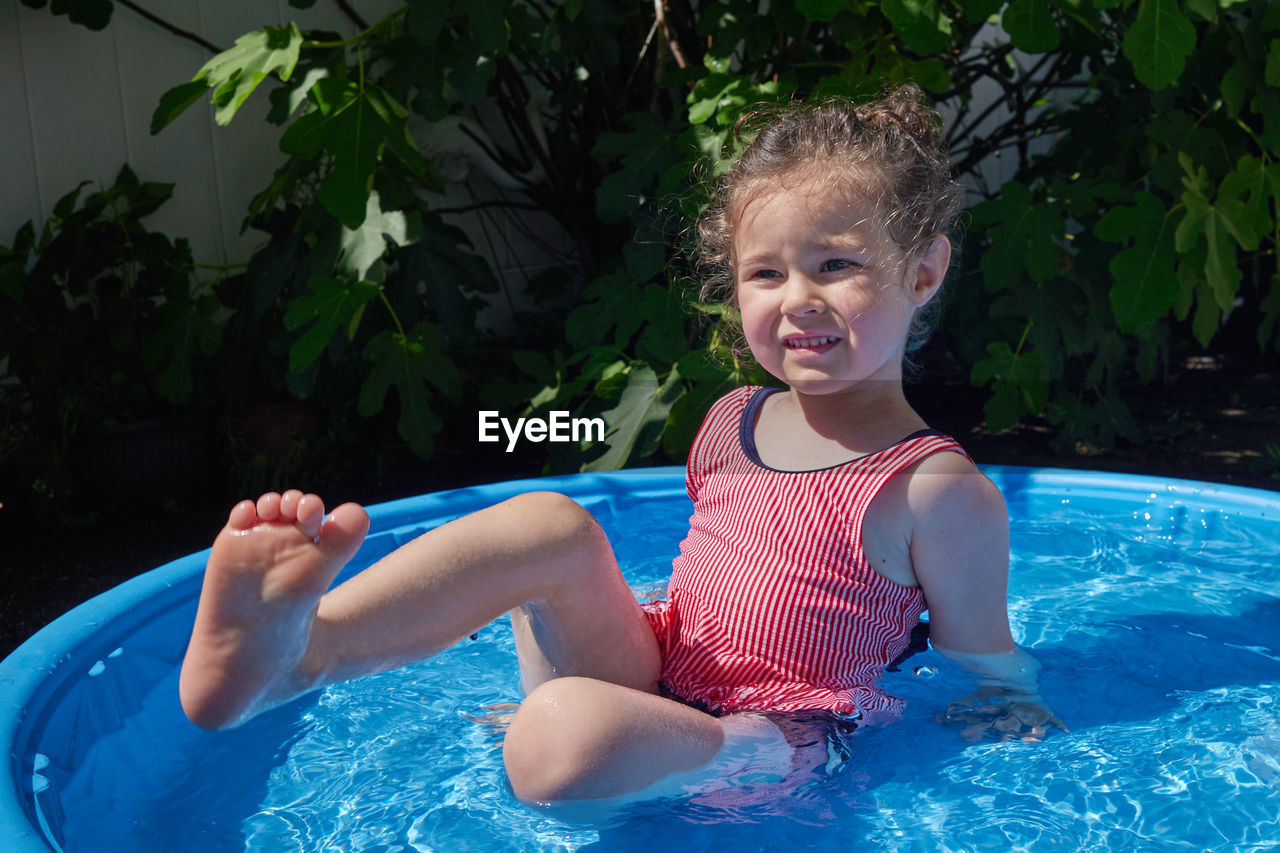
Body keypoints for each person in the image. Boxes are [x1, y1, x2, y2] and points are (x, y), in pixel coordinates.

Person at [178, 84, 1062, 806]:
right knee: (546, 522)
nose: (796, 297)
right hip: (657, 671)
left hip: (778, 739)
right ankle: (302, 650)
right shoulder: (734, 419)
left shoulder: (936, 489)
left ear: (925, 270)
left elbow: (980, 655)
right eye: (765, 271)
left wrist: (1015, 704)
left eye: (836, 265)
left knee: (563, 728)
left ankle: (582, 734)